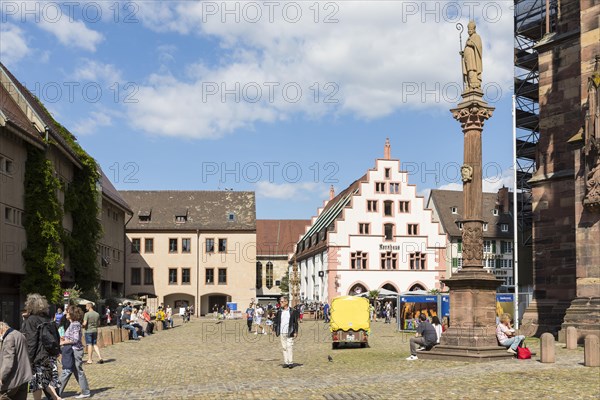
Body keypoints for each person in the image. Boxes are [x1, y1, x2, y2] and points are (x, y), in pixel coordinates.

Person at [21, 293, 62, 400]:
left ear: (29, 305)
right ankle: (55, 397)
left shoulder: (31, 320)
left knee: (37, 383)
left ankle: (56, 398)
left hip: (38, 357)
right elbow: (57, 337)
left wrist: (28, 360)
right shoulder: (48, 318)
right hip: (50, 355)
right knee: (47, 382)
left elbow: (31, 342)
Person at [58, 306, 90, 399]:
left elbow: (75, 339)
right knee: (75, 371)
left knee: (74, 371)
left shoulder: (75, 324)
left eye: (67, 312)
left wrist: (63, 342)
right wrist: (65, 338)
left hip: (75, 350)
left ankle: (57, 393)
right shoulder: (73, 324)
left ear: (72, 314)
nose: (66, 314)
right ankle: (85, 391)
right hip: (73, 350)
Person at [0, 321, 32, 400]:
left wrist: (1, 377)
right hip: (24, 376)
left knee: (4, 397)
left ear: (1, 330)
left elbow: (8, 361)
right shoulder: (19, 334)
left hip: (13, 379)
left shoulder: (9, 338)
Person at [273, 296, 299, 369]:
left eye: (281, 302)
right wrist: (274, 330)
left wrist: (296, 331)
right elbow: (276, 321)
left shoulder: (292, 311)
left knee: (289, 347)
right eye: (280, 301)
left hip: (290, 331)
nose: (280, 303)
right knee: (284, 347)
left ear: (286, 302)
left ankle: (290, 362)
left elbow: (295, 322)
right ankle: (286, 362)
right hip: (282, 332)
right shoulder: (279, 311)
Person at [460, 20, 483, 91]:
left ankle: (474, 85)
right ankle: (469, 85)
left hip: (473, 59)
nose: (469, 31)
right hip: (467, 58)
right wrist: (463, 53)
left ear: (474, 29)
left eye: (470, 29)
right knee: (468, 71)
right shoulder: (468, 38)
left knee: (472, 70)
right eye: (468, 29)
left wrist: (471, 44)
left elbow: (479, 47)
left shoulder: (477, 36)